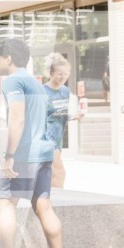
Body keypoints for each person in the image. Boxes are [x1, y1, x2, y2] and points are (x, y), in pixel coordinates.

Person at [0, 39, 76, 248]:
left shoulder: (13, 81)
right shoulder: (36, 83)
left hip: (24, 155)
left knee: (6, 204)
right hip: (44, 153)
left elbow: (17, 119)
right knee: (44, 206)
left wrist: (8, 157)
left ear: (8, 58)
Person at [43, 52, 76, 189]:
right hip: (46, 138)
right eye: (60, 73)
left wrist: (74, 116)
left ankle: (46, 203)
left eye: (66, 73)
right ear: (51, 73)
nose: (63, 77)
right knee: (60, 172)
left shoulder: (65, 91)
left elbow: (61, 114)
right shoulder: (42, 91)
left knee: (49, 174)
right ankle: (58, 204)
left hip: (58, 139)